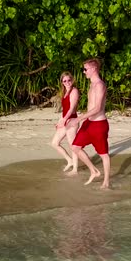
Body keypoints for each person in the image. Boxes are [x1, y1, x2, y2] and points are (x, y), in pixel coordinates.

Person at [67, 58, 111, 189]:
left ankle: (106, 182)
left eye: (85, 69)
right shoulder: (91, 84)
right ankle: (94, 171)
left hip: (99, 124)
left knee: (103, 154)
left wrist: (77, 119)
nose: (84, 72)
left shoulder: (99, 85)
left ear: (93, 69)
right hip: (88, 123)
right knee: (75, 147)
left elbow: (97, 108)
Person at [51, 71, 80, 174]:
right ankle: (70, 160)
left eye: (69, 80)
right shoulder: (64, 92)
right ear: (62, 82)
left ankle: (75, 169)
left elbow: (72, 108)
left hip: (72, 121)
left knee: (73, 145)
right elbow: (64, 109)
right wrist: (60, 121)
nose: (67, 82)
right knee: (54, 143)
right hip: (64, 120)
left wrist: (64, 120)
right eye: (65, 81)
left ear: (72, 80)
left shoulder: (74, 91)